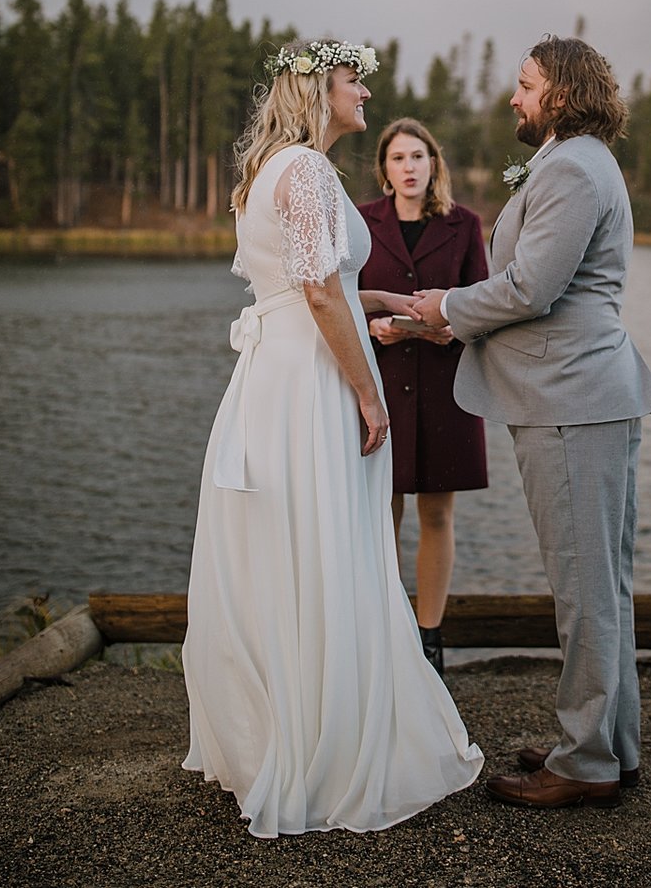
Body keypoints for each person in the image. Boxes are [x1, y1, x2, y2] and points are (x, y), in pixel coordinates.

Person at [182, 41, 482, 837]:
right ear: (321, 87)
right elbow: (317, 293)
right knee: (328, 542)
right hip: (313, 381)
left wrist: (387, 295)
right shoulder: (309, 171)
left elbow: (318, 282)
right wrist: (364, 391)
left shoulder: (268, 171)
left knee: (287, 548)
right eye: (356, 79)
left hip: (270, 378)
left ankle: (278, 727)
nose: (368, 91)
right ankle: (326, 743)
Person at [416, 34, 651, 811]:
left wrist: (445, 309)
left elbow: (530, 289)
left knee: (584, 587)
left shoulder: (572, 167)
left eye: (525, 86)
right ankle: (607, 745)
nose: (514, 99)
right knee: (603, 584)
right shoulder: (576, 163)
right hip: (584, 398)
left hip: (570, 400)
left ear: (560, 92)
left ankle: (586, 762)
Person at [358, 119, 489, 676]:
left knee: (437, 515)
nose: (409, 167)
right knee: (379, 512)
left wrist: (451, 327)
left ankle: (430, 638)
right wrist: (374, 330)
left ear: (434, 163)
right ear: (384, 169)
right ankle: (384, 631)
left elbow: (483, 307)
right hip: (379, 385)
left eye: (418, 156)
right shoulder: (361, 224)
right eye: (398, 158)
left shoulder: (465, 226)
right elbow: (342, 305)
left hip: (446, 389)